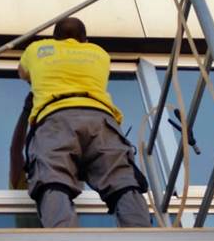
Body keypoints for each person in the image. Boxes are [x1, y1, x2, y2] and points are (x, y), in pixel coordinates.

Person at [15, 17, 151, 228]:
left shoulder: (37, 49)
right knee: (122, 180)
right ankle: (140, 234)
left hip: (55, 119)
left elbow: (23, 73)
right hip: (100, 120)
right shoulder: (98, 53)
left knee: (53, 179)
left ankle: (63, 238)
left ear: (55, 38)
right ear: (84, 39)